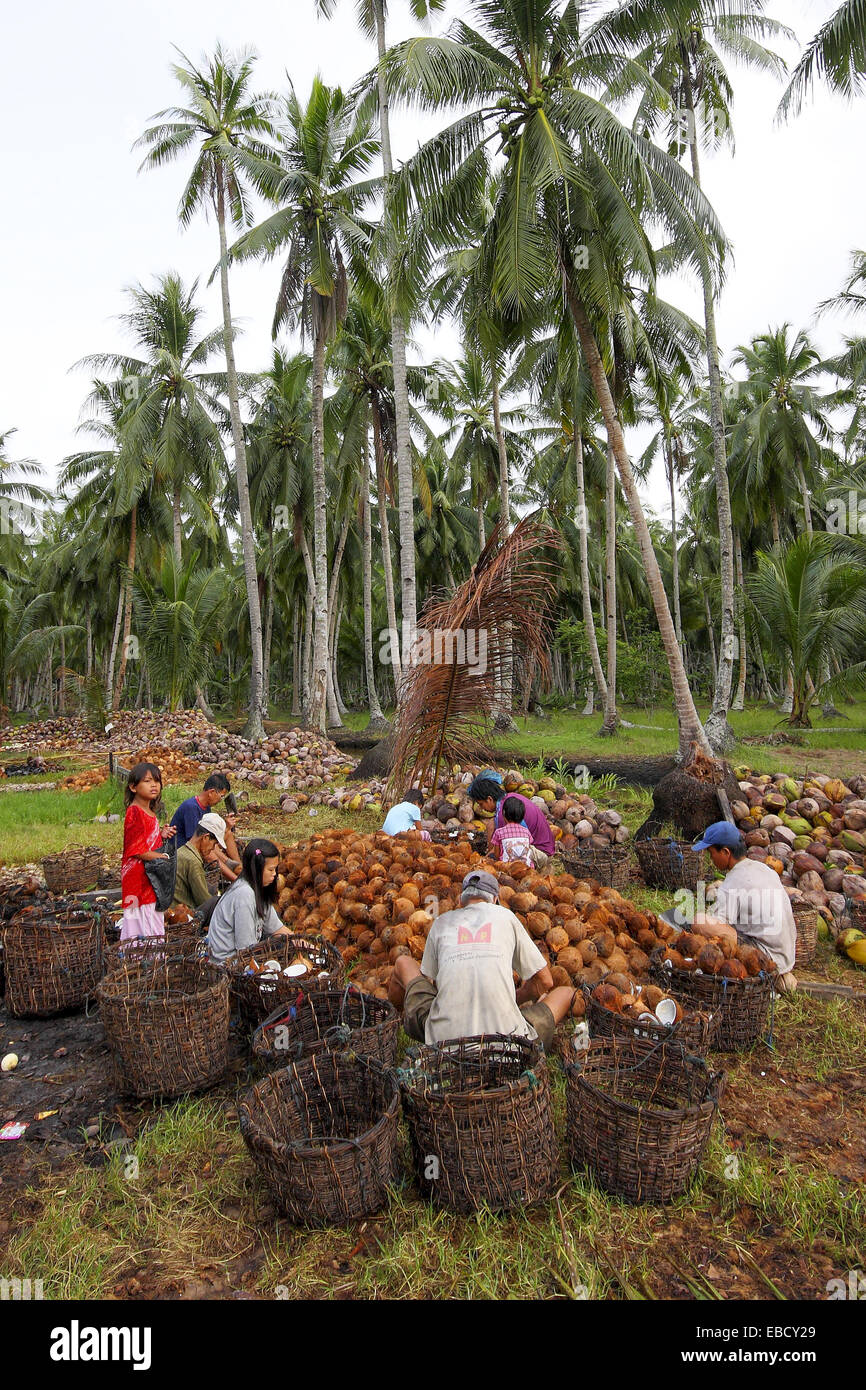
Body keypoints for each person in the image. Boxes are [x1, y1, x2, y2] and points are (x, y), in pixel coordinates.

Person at [388, 868, 577, 1050]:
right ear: (495, 900)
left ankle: (391, 1026)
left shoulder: (440, 923)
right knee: (566, 993)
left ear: (461, 901)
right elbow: (546, 980)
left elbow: (430, 984)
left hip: (444, 1046)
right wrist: (522, 995)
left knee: (403, 963)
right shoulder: (506, 916)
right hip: (509, 1046)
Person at [690, 821, 797, 991]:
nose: (711, 859)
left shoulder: (734, 881)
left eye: (711, 853)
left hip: (764, 957)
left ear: (725, 852)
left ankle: (770, 976)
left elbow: (716, 926)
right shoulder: (763, 869)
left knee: (699, 921)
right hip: (786, 955)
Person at [207, 837, 291, 964]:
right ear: (256, 869)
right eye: (270, 870)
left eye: (275, 869)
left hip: (244, 954)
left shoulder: (259, 889)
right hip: (227, 964)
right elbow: (245, 950)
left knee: (284, 945)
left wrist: (307, 945)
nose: (275, 875)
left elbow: (277, 929)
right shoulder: (244, 895)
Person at [120, 762, 177, 941]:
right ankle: (141, 957)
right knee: (139, 919)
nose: (154, 785)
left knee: (150, 915)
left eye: (157, 781)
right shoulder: (135, 812)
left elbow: (145, 838)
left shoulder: (148, 811)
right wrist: (162, 856)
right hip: (138, 878)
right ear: (133, 787)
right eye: (147, 781)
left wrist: (161, 834)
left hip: (149, 875)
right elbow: (136, 849)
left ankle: (148, 957)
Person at [467, 774, 555, 867]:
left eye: (481, 804)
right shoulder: (511, 798)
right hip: (546, 846)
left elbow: (510, 844)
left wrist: (488, 857)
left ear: (489, 799)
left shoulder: (504, 814)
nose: (481, 808)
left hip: (540, 852)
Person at [171, 773, 240, 881]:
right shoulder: (191, 808)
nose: (220, 800)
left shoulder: (206, 807)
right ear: (212, 792)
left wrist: (226, 827)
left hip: (202, 842)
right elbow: (198, 843)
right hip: (182, 849)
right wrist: (235, 880)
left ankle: (237, 866)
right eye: (221, 796)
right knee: (208, 847)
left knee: (227, 834)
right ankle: (234, 875)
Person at [172, 812, 229, 927]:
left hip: (174, 910)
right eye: (214, 844)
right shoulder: (193, 861)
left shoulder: (181, 851)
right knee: (215, 902)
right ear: (205, 837)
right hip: (183, 917)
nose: (213, 849)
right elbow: (203, 900)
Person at [489, 795, 533, 865]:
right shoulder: (526, 831)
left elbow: (497, 855)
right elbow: (529, 849)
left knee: (492, 857)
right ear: (522, 816)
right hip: (526, 868)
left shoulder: (499, 832)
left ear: (503, 813)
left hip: (507, 868)